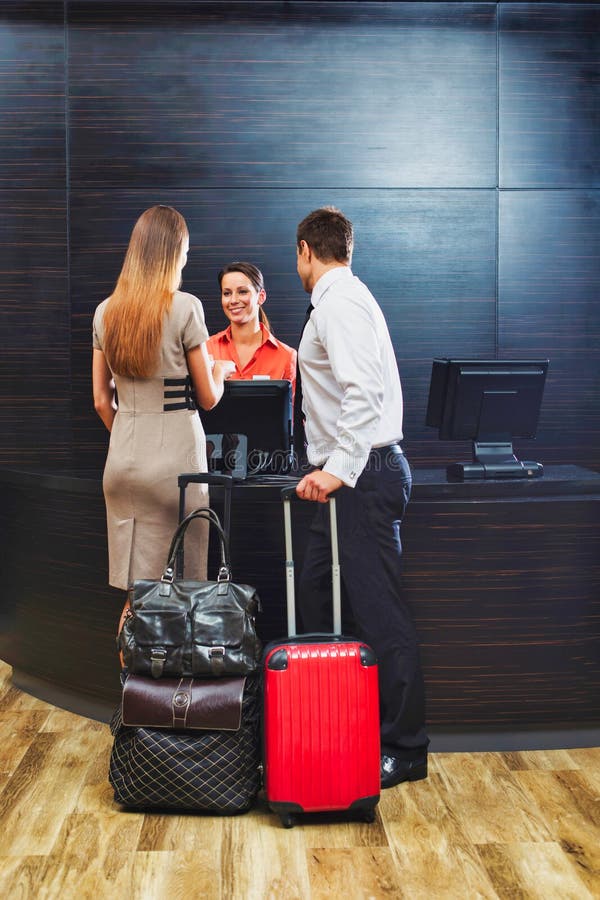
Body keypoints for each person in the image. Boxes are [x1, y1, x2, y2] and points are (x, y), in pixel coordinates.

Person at [293, 206, 429, 789]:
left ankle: (404, 748)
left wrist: (338, 471)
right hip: (354, 474)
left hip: (363, 474)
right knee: (322, 597)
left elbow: (363, 392)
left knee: (380, 614)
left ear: (305, 251)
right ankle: (330, 728)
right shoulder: (342, 298)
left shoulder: (340, 303)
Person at [92, 205, 234, 593]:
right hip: (176, 465)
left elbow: (102, 402)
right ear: (174, 251)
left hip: (121, 462)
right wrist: (219, 371)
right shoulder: (185, 307)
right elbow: (207, 398)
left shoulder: (105, 312)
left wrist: (128, 436)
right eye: (185, 249)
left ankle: (130, 656)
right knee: (183, 588)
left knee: (136, 593)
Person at [206, 262, 297, 396]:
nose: (233, 300)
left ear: (261, 297)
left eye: (242, 292)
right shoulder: (207, 349)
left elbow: (290, 413)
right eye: (227, 293)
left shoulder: (286, 356)